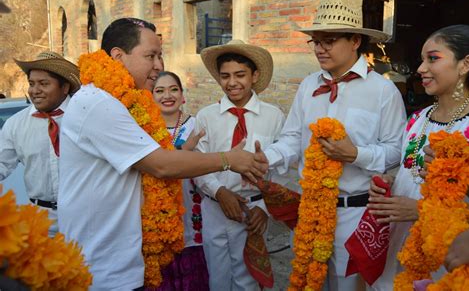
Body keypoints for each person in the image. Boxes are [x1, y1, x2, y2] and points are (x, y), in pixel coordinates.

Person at [57, 18, 268, 290]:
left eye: (160, 56)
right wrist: (228, 160)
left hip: (118, 259)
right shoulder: (98, 103)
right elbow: (161, 165)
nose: (159, 66)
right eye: (151, 56)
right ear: (118, 56)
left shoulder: (119, 102)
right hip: (100, 268)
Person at [262, 0, 406, 290]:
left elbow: (396, 152)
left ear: (355, 41)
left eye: (328, 40)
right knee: (306, 279)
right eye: (315, 41)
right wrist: (267, 157)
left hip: (355, 213)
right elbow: (292, 138)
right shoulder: (308, 85)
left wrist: (355, 154)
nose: (319, 48)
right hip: (310, 210)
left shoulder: (383, 91)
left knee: (347, 285)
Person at [367, 24, 469, 290]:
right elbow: (410, 173)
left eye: (433, 59)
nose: (421, 69)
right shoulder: (418, 118)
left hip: (450, 254)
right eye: (422, 59)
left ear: (467, 63)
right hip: (399, 247)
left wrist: (420, 211)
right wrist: (391, 184)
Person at [193, 40, 285, 291]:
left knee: (250, 279)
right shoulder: (206, 117)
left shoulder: (274, 116)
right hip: (216, 208)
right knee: (218, 278)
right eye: (225, 76)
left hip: (253, 210)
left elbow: (282, 170)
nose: (232, 82)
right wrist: (220, 193)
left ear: (254, 76)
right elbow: (199, 164)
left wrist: (264, 209)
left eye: (240, 75)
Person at [0, 51, 81, 237]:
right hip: (41, 221)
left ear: (65, 87)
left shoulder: (85, 116)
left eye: (44, 84)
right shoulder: (16, 124)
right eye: (31, 83)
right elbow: (2, 164)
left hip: (86, 217)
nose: (35, 90)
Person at [150, 71, 209, 291]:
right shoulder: (144, 130)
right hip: (156, 215)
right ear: (151, 96)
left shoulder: (196, 126)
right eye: (160, 90)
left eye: (174, 89)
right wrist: (184, 150)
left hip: (191, 206)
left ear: (182, 95)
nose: (168, 95)